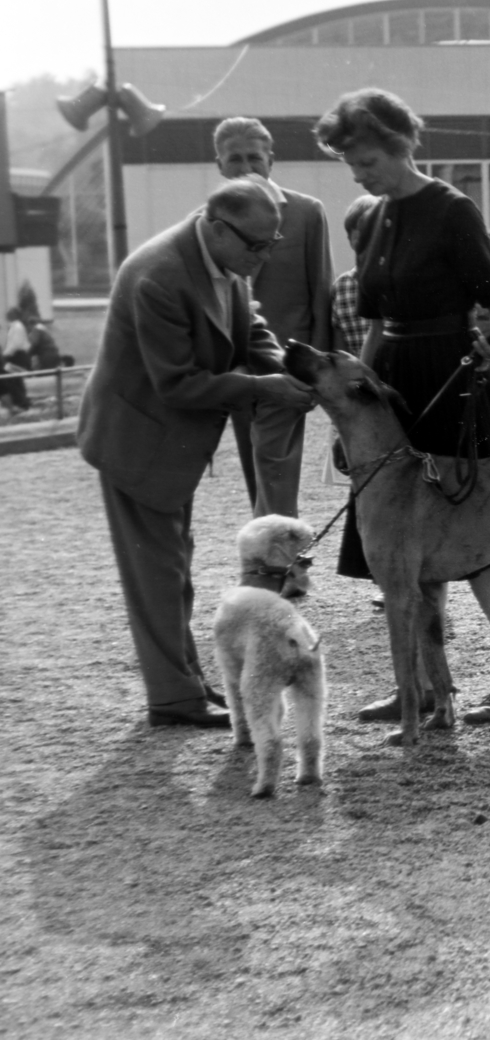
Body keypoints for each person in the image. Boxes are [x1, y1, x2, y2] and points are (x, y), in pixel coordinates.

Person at [315, 86, 490, 724]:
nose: (359, 176)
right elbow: (372, 324)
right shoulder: (367, 216)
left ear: (402, 145)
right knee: (397, 543)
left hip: (450, 376)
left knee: (475, 533)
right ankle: (417, 685)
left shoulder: (451, 209)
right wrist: (354, 408)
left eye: (367, 162)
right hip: (389, 380)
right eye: (351, 165)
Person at [78, 179, 316, 727]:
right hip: (136, 442)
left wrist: (286, 367)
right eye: (256, 245)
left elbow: (248, 327)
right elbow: (178, 385)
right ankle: (173, 699)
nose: (264, 256)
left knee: (174, 565)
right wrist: (263, 389)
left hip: (169, 442)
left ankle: (183, 681)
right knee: (156, 573)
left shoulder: (220, 259)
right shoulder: (159, 275)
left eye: (272, 243)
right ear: (216, 226)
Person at [213, 117, 334, 520]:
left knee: (278, 470)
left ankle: (279, 562)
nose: (245, 167)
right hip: (236, 368)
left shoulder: (305, 213)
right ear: (219, 166)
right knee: (256, 468)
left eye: (254, 158)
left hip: (288, 362)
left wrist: (316, 369)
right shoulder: (206, 223)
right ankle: (275, 557)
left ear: (271, 161)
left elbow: (321, 292)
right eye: (235, 159)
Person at [331, 194, 382, 356]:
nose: (368, 245)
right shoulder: (341, 286)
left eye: (373, 236)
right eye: (359, 237)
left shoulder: (397, 282)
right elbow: (340, 347)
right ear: (350, 239)